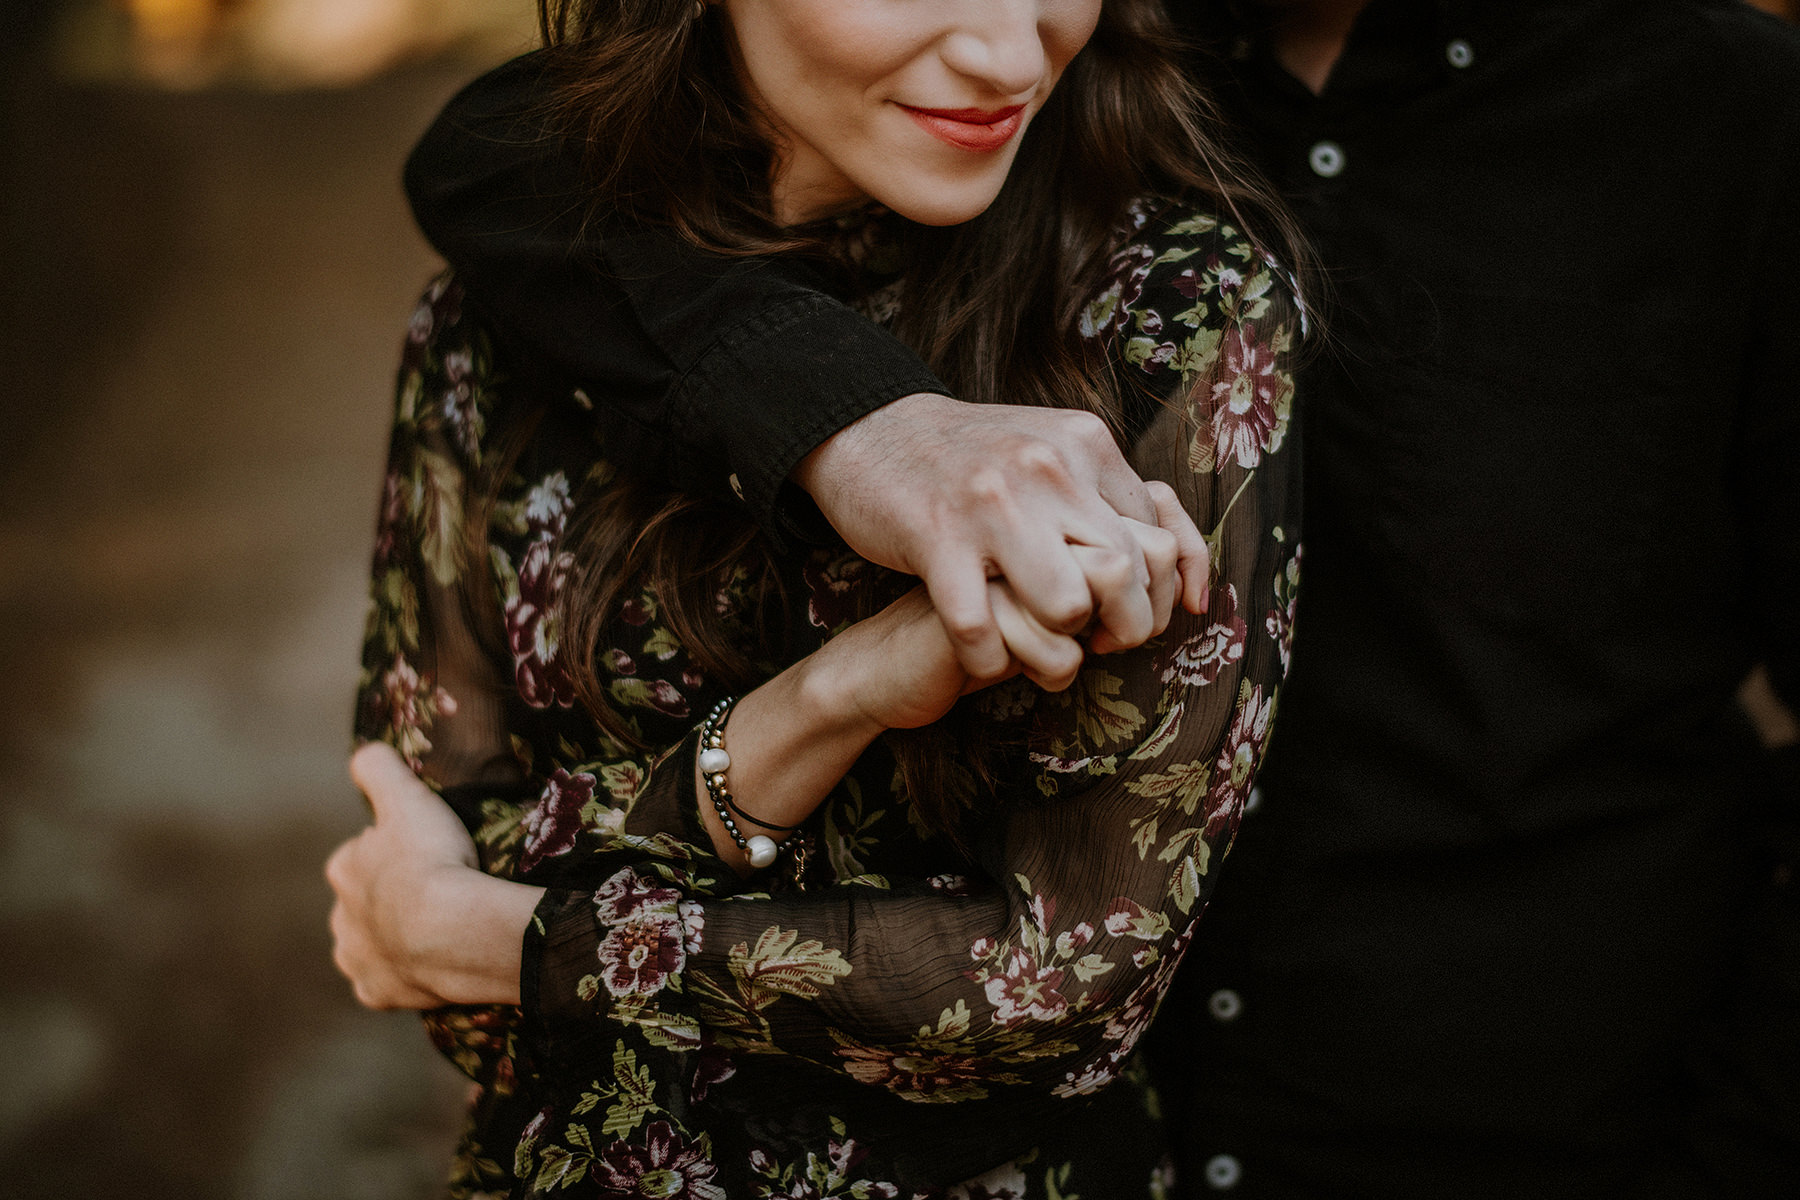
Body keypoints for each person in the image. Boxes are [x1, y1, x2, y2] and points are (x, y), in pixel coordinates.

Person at [382, 0, 1800, 1196]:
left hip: (1558, 1143)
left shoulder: (1726, 116)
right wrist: (851, 430)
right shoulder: (1100, 70)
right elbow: (509, 143)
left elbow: (1058, 981)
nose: (999, 49)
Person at [327, 0, 1308, 1196]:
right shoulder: (501, 312)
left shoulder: (1171, 320)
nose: (1009, 53)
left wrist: (518, 941)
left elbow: (1059, 997)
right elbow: (441, 985)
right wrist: (824, 706)